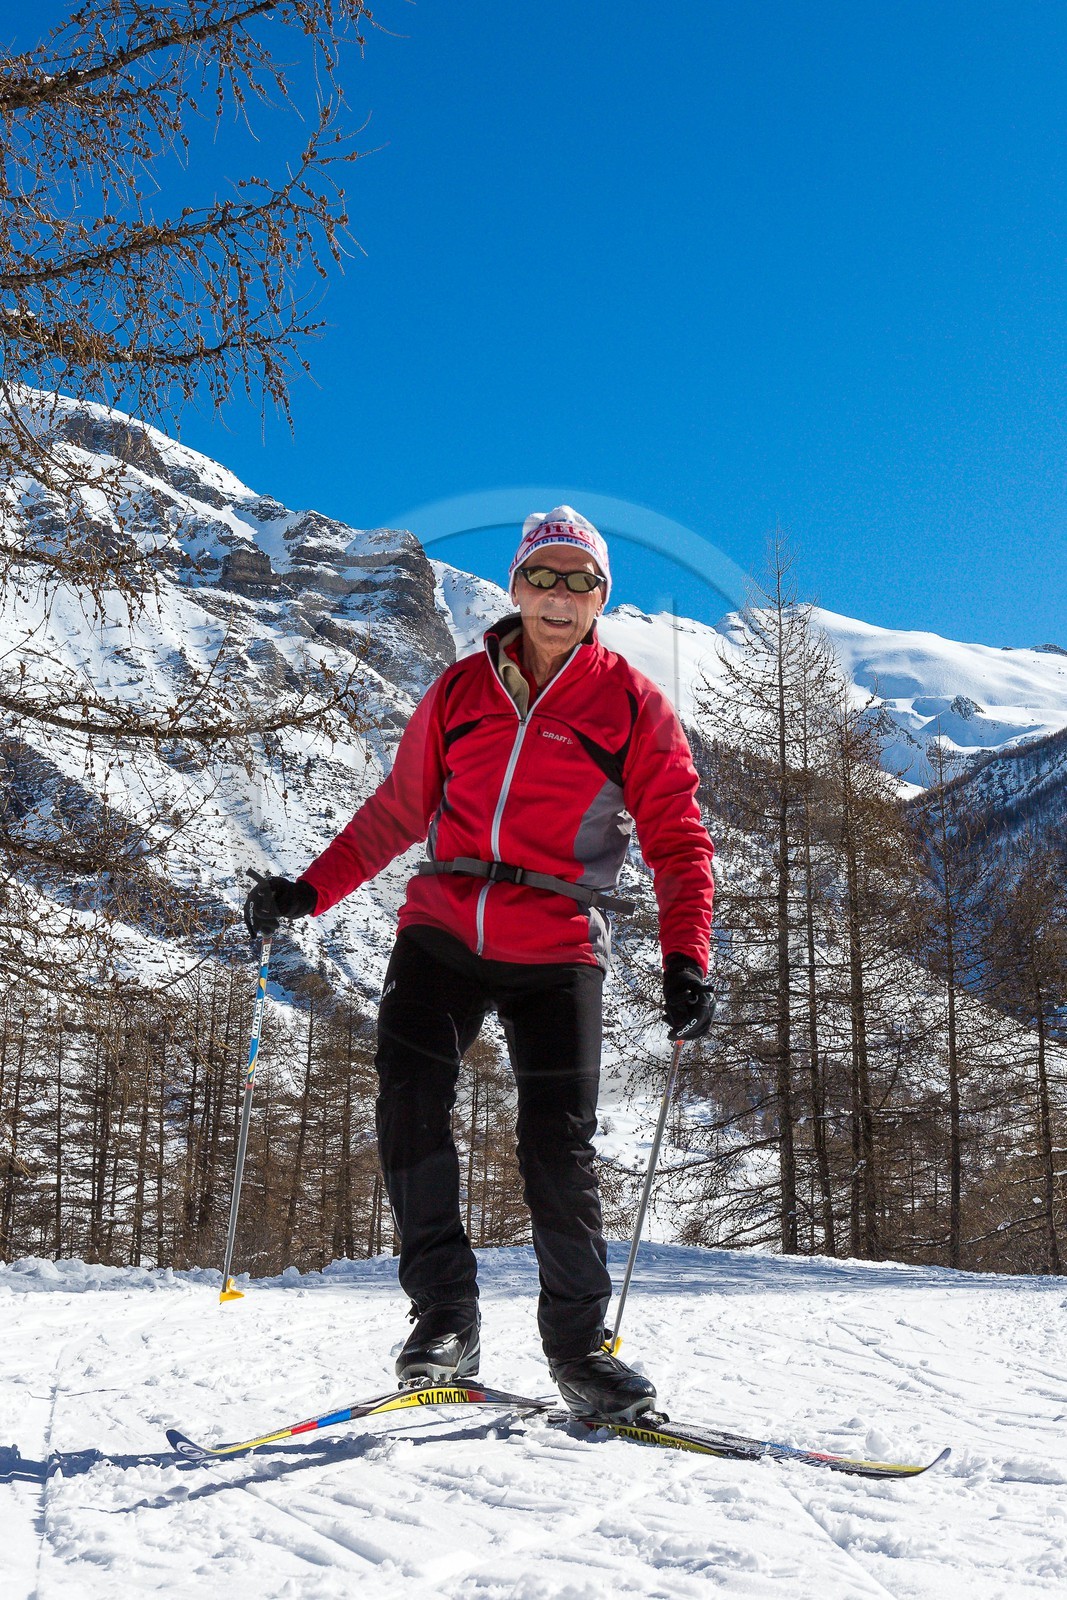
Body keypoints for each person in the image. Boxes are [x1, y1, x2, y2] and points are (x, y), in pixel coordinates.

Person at [244, 507, 716, 1422]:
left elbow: (677, 840)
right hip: (444, 930)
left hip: (558, 944)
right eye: (544, 575)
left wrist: (684, 957)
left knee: (556, 1144)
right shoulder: (459, 691)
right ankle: (444, 1321)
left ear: (599, 599)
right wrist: (309, 892)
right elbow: (396, 811)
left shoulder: (632, 705)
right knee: (409, 1101)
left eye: (580, 581)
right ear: (516, 586)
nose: (559, 595)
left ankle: (580, 1351)